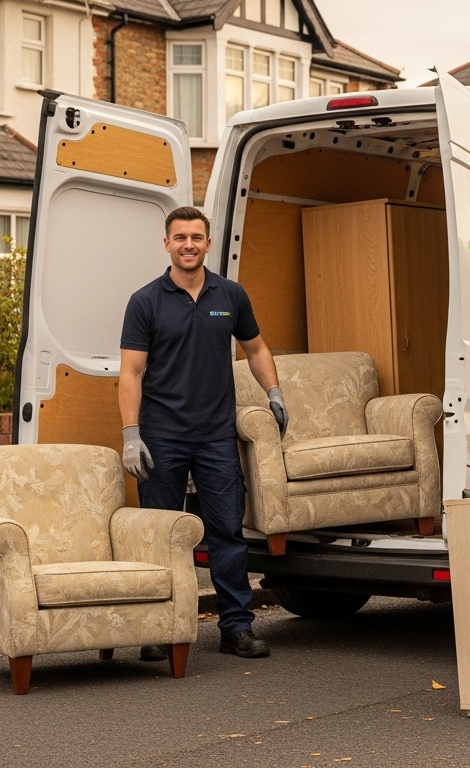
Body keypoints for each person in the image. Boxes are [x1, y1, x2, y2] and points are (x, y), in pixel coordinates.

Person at [118, 206, 289, 660]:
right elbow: (131, 372)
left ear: (208, 244)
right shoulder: (145, 301)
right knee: (159, 534)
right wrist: (131, 434)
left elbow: (255, 347)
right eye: (180, 238)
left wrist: (273, 391)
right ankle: (157, 629)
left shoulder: (230, 295)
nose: (188, 245)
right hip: (161, 437)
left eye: (196, 237)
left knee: (226, 533)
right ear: (167, 244)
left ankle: (236, 629)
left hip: (215, 436)